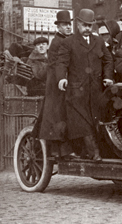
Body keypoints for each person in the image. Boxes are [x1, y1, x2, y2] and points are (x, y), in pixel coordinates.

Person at [56, 8, 114, 161]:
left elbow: (108, 60)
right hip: (76, 92)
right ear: (78, 24)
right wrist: (61, 78)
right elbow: (61, 62)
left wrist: (108, 77)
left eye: (90, 25)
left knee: (96, 121)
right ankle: (94, 153)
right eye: (84, 25)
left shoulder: (99, 41)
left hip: (95, 90)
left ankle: (93, 152)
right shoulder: (68, 42)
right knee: (83, 122)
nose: (88, 29)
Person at [37, 10, 75, 158]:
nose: (68, 27)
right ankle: (58, 151)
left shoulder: (68, 39)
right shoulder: (56, 42)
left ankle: (66, 150)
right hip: (56, 85)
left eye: (69, 24)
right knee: (58, 116)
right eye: (64, 25)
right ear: (58, 27)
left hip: (65, 81)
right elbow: (56, 65)